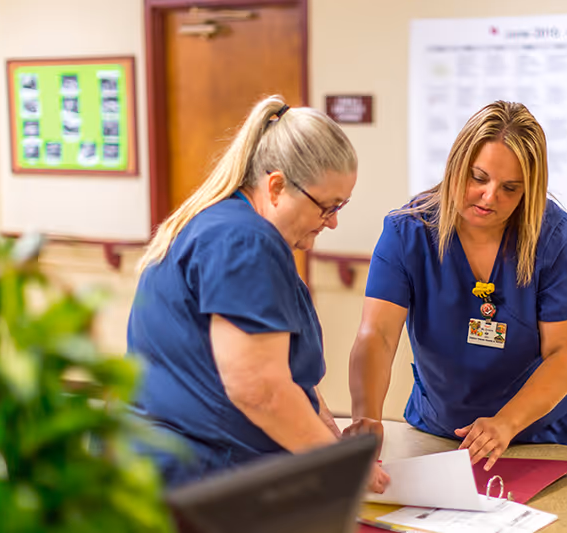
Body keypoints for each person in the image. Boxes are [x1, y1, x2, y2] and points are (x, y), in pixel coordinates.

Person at [127, 96, 389, 492]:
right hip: (201, 482)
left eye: (341, 207)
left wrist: (332, 440)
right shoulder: (244, 242)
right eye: (326, 207)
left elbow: (286, 373)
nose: (332, 223)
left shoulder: (226, 227)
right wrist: (342, 467)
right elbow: (260, 391)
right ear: (277, 185)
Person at [345, 101, 567, 471]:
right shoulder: (409, 233)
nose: (489, 197)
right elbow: (377, 335)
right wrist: (366, 416)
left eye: (510, 188)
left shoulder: (552, 237)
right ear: (455, 166)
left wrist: (505, 423)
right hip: (443, 435)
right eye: (478, 178)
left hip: (546, 439)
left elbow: (565, 354)